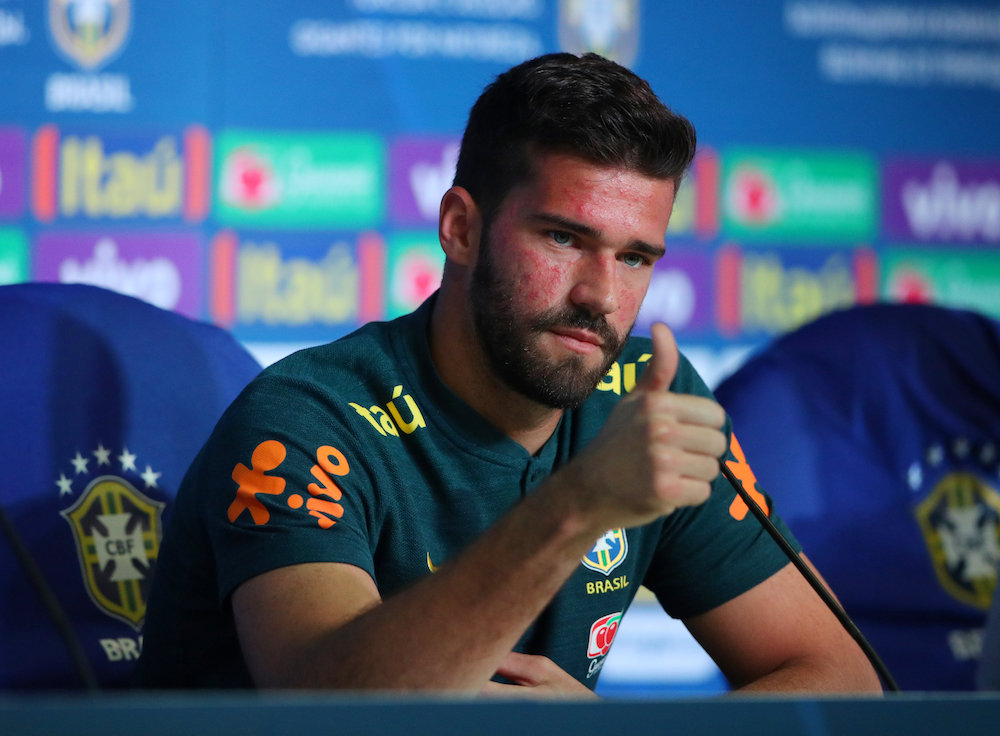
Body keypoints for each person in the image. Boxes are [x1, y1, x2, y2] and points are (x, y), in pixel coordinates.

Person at [134, 52, 881, 695]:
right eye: (563, 237)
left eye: (634, 258)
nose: (601, 296)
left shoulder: (640, 398)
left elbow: (842, 679)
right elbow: (328, 710)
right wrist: (583, 503)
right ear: (461, 227)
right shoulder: (305, 421)